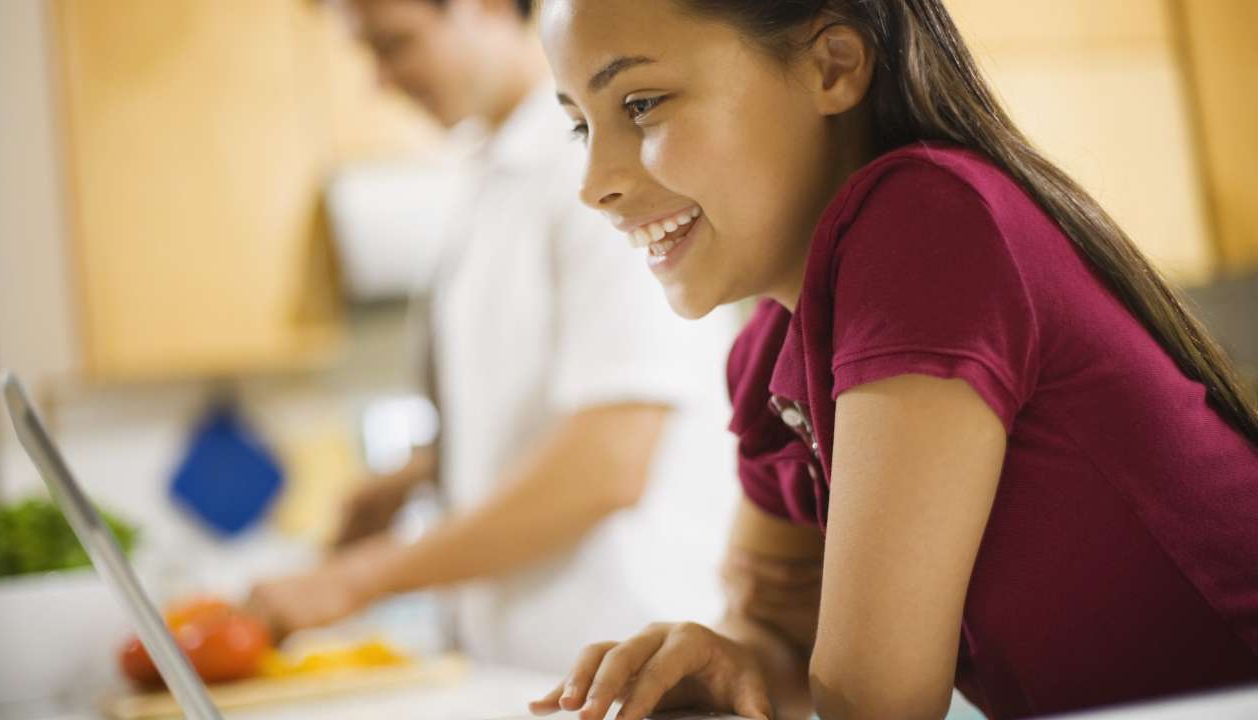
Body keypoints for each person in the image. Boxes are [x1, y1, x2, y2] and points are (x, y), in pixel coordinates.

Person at [527, 1, 1258, 719]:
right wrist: (736, 662)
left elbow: (874, 702)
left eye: (643, 103)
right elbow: (781, 630)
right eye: (579, 128)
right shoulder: (773, 347)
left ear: (832, 66)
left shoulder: (925, 221)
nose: (594, 185)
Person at [248, 0, 739, 674]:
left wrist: (354, 579)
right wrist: (420, 474)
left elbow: (610, 458)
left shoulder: (602, 175)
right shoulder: (491, 176)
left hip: (635, 661)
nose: (381, 81)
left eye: (393, 45)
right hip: (539, 669)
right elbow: (544, 406)